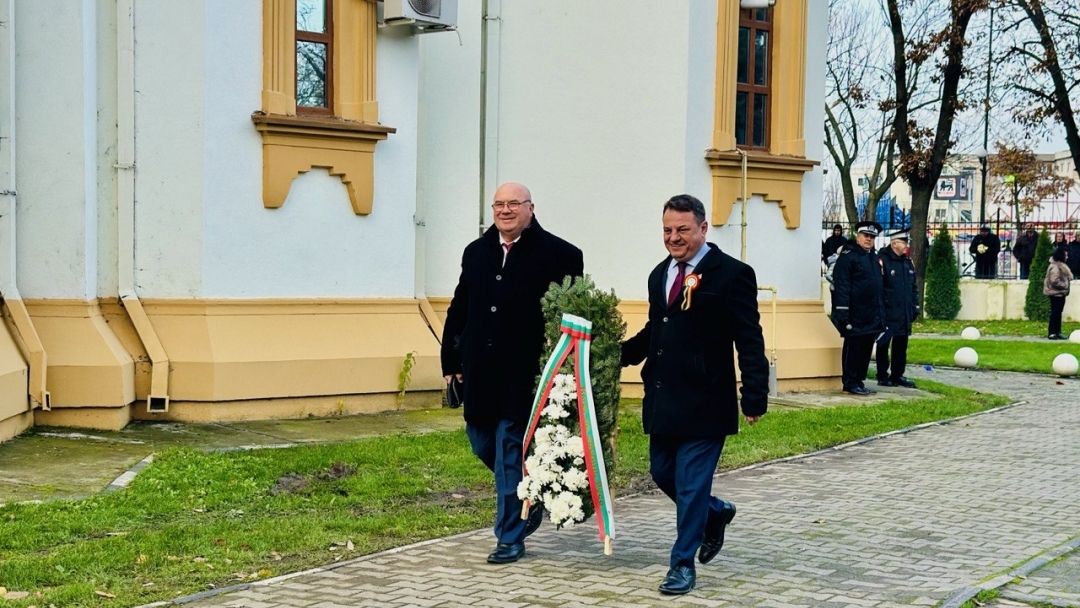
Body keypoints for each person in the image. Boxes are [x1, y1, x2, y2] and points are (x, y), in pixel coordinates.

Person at [620, 194, 768, 596]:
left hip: (706, 399)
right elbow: (657, 329)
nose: (674, 237)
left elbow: (749, 339)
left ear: (702, 228)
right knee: (662, 473)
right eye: (667, 230)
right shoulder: (660, 274)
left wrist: (754, 394)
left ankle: (682, 565)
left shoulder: (732, 274)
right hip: (664, 397)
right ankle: (715, 512)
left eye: (682, 229)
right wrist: (616, 356)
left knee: (689, 485)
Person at [441, 182, 584, 564]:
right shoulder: (476, 252)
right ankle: (528, 493)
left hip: (524, 374)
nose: (505, 210)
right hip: (479, 371)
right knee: (480, 441)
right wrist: (451, 360)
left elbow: (570, 316)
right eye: (499, 204)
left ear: (530, 208)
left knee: (508, 451)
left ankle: (509, 537)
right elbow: (460, 306)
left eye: (514, 204)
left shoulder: (561, 254)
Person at [831, 221, 886, 395]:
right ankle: (849, 382)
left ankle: (859, 380)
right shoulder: (849, 256)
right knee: (853, 348)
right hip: (854, 312)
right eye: (866, 236)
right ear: (858, 236)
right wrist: (842, 310)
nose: (869, 239)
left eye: (872, 237)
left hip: (871, 312)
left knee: (866, 349)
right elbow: (842, 285)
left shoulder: (873, 258)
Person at [876, 230, 919, 388]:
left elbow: (913, 287)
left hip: (904, 311)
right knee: (883, 344)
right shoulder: (883, 260)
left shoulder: (907, 262)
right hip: (888, 311)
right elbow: (879, 288)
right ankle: (882, 375)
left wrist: (915, 307)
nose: (906, 245)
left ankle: (897, 375)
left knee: (901, 345)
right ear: (894, 243)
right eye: (903, 242)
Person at [1044, 248, 1072, 340]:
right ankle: (1052, 332)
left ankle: (1057, 332)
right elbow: (1054, 281)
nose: (1067, 257)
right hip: (1055, 293)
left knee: (1058, 313)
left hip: (1060, 293)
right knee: (1055, 313)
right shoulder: (1055, 267)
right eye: (1065, 255)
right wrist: (1064, 286)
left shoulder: (1060, 266)